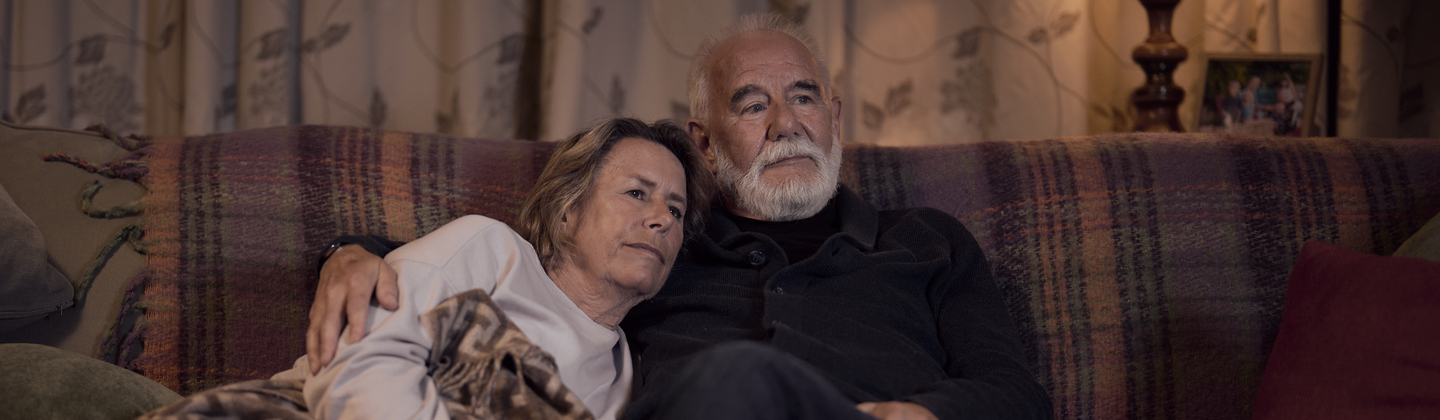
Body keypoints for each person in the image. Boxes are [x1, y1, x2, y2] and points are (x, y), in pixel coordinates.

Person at [309, 14, 1052, 420]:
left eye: (803, 97)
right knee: (734, 380)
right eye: (752, 104)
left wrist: (912, 416)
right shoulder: (659, 247)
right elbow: (521, 255)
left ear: (835, 116)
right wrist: (350, 251)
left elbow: (1015, 395)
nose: (786, 123)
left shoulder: (927, 242)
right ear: (704, 141)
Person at [142, 118, 715, 420]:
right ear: (566, 213)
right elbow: (356, 373)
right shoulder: (490, 252)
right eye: (637, 194)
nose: (661, 218)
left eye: (675, 208)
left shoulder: (629, 379)